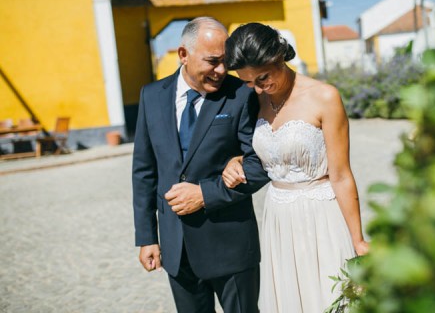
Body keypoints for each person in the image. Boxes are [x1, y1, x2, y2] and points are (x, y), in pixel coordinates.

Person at [222, 22, 369, 312]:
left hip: (321, 215)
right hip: (278, 218)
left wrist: (358, 240)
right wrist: (234, 159)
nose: (259, 88)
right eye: (249, 82)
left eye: (262, 78)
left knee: (330, 298)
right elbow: (252, 149)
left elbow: (340, 175)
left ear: (279, 56)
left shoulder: (324, 97)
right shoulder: (254, 100)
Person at [132, 17, 270, 313]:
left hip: (230, 244)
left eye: (225, 62)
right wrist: (147, 237)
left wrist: (205, 194)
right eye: (213, 61)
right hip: (176, 248)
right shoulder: (151, 96)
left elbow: (261, 164)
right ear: (183, 54)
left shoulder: (241, 94)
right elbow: (144, 171)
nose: (222, 70)